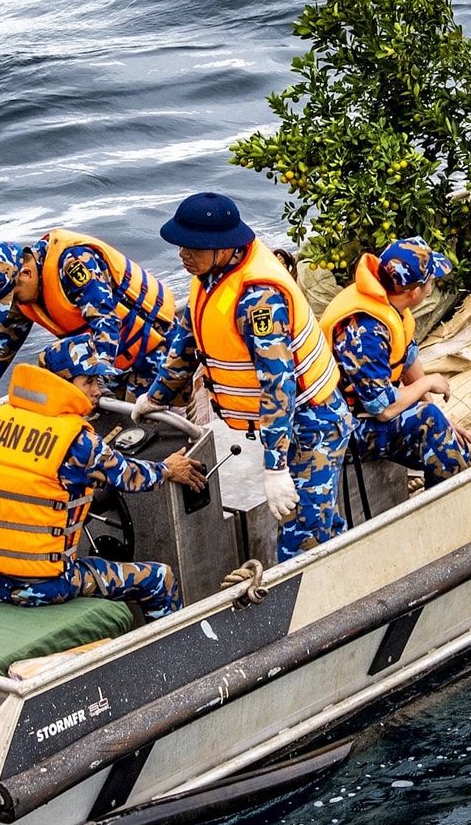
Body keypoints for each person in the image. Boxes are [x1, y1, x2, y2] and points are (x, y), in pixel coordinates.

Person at [133, 192, 353, 562]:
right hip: (280, 422)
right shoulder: (208, 276)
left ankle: (330, 603)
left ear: (223, 247)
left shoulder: (259, 299)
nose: (182, 254)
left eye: (193, 247)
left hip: (312, 421)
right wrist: (157, 396)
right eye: (181, 245)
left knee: (307, 531)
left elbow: (278, 384)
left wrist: (276, 467)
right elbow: (187, 340)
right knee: (307, 523)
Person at [0, 342, 206, 620]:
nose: (98, 390)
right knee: (161, 579)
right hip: (41, 585)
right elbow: (130, 477)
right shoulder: (78, 442)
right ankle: (173, 655)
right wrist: (168, 469)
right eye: (88, 381)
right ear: (61, 383)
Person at [0, 230, 174, 436]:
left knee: (157, 431)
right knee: (102, 429)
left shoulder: (73, 263)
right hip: (112, 364)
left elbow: (105, 320)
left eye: (12, 296)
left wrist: (99, 380)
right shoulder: (24, 297)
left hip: (158, 348)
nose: (14, 304)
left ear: (25, 273)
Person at [319, 237, 471, 487]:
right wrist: (428, 385)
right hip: (339, 430)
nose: (432, 286)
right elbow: (384, 409)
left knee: (440, 429)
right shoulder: (366, 331)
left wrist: (443, 422)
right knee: (430, 425)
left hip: (364, 411)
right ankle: (446, 513)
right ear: (414, 292)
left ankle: (445, 498)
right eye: (430, 281)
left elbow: (408, 360)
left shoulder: (390, 304)